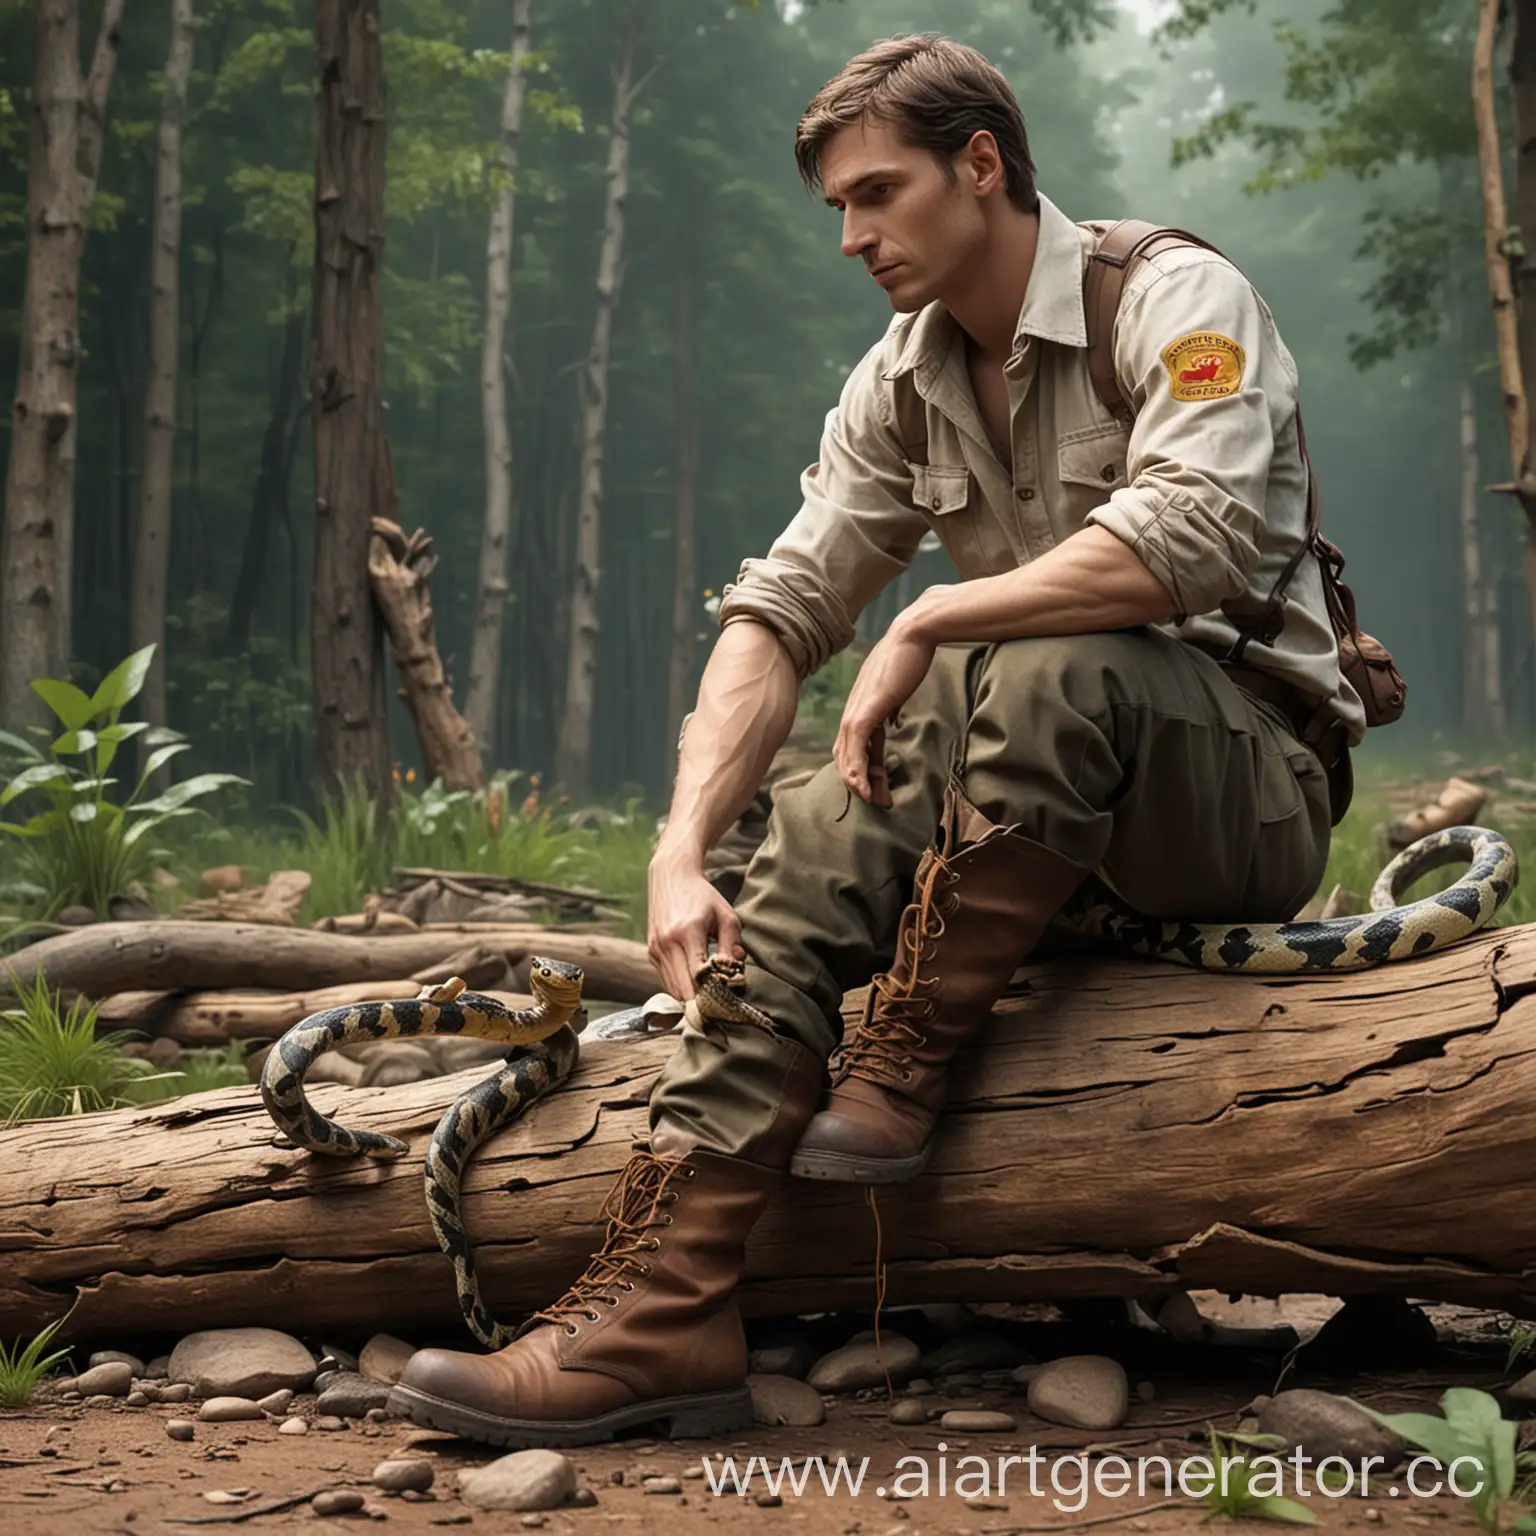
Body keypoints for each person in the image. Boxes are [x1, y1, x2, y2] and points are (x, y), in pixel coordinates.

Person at [390, 32, 1361, 1448]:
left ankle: (903, 1063)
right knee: (809, 837)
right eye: (836, 207)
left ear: (981, 166)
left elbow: (1201, 530)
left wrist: (937, 618)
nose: (851, 236)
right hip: (1030, 801)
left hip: (1239, 793)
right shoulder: (900, 380)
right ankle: (661, 1319)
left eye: (876, 194)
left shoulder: (1173, 295)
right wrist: (676, 849)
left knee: (1042, 664)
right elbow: (780, 608)